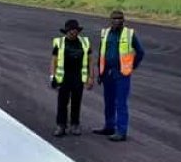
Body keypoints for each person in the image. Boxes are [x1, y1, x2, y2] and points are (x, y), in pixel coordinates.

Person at [95, 10, 145, 141]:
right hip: (107, 72)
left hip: (122, 73)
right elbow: (101, 52)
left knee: (121, 103)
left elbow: (140, 52)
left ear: (123, 20)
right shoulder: (105, 33)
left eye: (120, 18)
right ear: (110, 20)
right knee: (108, 101)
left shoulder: (129, 34)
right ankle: (109, 126)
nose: (117, 20)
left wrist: (132, 66)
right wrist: (100, 72)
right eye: (114, 18)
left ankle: (121, 131)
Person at [50, 19, 94, 136]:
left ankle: (75, 125)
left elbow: (90, 61)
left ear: (78, 31)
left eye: (75, 31)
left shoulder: (84, 43)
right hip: (64, 77)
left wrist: (91, 77)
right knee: (62, 102)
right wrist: (52, 76)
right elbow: (53, 61)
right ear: (66, 32)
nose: (73, 33)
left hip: (78, 77)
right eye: (70, 31)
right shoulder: (59, 43)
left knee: (76, 102)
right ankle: (61, 126)